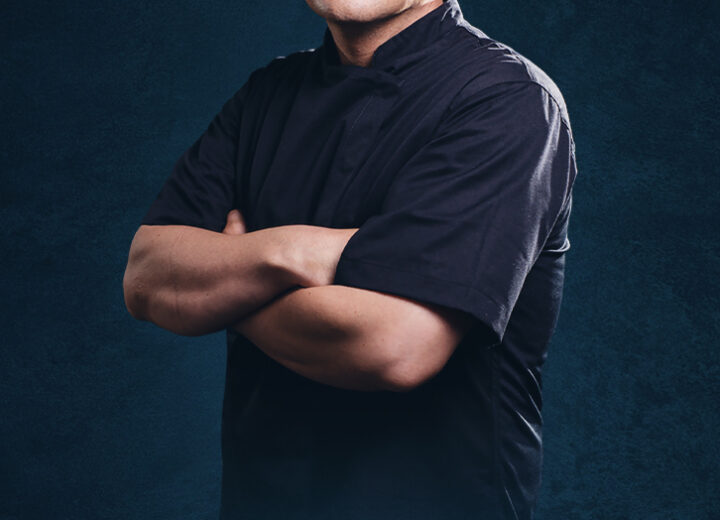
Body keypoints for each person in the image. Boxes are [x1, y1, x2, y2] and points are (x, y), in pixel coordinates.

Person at [122, 0, 577, 518]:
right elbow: (145, 277)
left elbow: (394, 346)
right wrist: (293, 253)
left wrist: (225, 289)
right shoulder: (265, 93)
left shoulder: (508, 100)